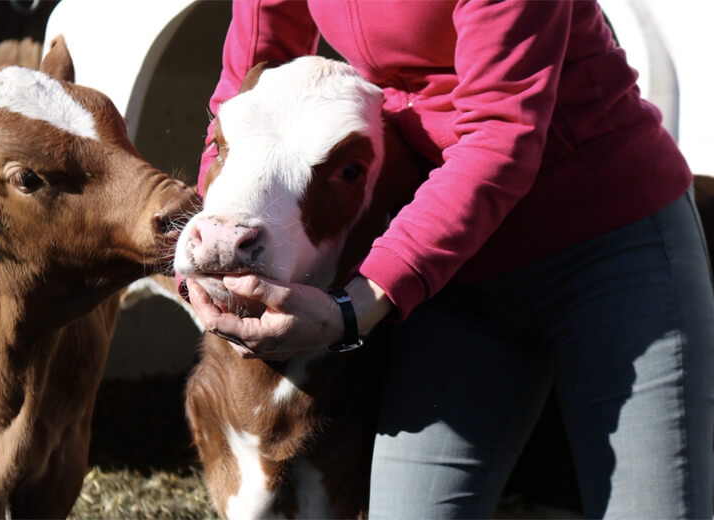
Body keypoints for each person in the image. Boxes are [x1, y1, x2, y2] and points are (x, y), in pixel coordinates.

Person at [184, 1, 714, 517]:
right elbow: (251, 77)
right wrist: (216, 216)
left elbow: (501, 132)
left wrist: (356, 305)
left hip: (609, 251)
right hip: (452, 272)